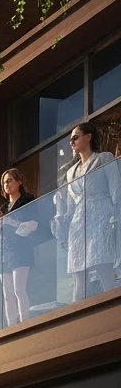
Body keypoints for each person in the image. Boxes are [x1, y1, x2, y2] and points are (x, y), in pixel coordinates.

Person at [52, 122, 120, 303]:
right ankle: (76, 315)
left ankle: (113, 308)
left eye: (75, 137)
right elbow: (69, 205)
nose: (71, 142)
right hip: (78, 221)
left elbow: (116, 189)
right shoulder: (70, 172)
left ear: (88, 137)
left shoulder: (104, 158)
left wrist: (116, 215)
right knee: (77, 270)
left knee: (103, 264)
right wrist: (61, 219)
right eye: (70, 140)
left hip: (101, 213)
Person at [0, 168, 38, 324]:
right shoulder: (3, 208)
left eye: (9, 180)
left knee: (19, 289)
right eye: (4, 182)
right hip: (4, 251)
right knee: (7, 294)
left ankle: (24, 323)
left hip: (21, 249)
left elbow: (31, 225)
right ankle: (11, 328)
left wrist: (6, 220)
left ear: (19, 182)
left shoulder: (27, 200)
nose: (6, 184)